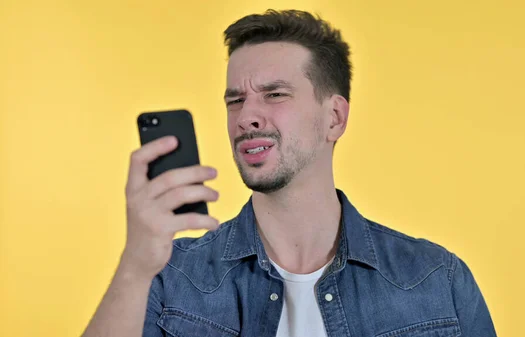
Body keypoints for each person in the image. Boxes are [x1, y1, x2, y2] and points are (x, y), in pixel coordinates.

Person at [82, 9, 497, 337]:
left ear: (334, 117)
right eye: (235, 100)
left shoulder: (436, 280)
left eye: (274, 95)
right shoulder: (171, 279)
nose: (247, 117)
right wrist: (135, 266)